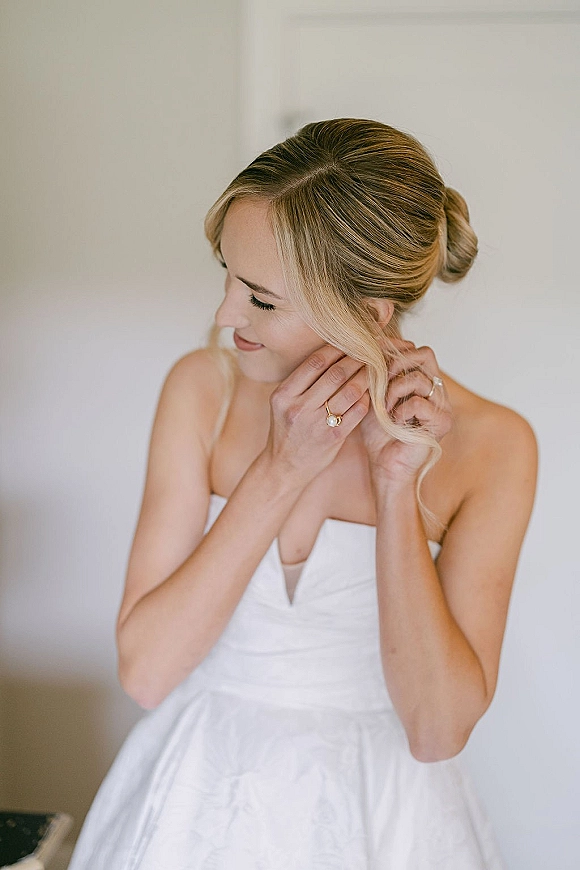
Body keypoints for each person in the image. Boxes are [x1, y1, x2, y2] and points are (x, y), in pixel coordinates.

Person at [68, 118, 537, 869]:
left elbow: (436, 730)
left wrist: (396, 487)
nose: (224, 317)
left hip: (386, 818)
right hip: (197, 801)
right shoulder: (202, 390)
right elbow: (147, 673)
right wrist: (280, 469)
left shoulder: (495, 446)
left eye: (260, 299)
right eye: (227, 275)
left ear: (371, 312)